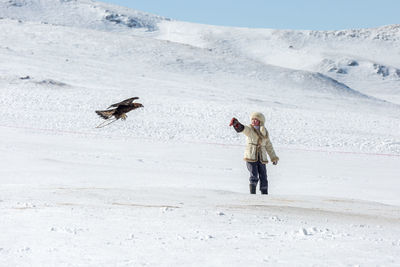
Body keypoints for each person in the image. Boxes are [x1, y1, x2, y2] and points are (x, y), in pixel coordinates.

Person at [229, 112, 279, 194]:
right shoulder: (250, 129)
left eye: (256, 119)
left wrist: (273, 157)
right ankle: (252, 194)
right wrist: (237, 124)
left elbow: (269, 146)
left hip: (261, 158)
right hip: (251, 156)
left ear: (261, 121)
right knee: (254, 175)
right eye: (253, 119)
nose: (254, 121)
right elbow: (244, 129)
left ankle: (264, 193)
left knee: (264, 176)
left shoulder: (264, 132)